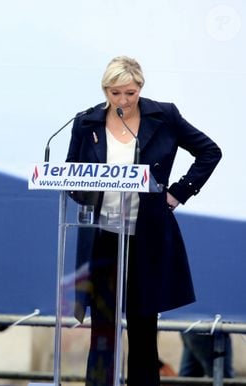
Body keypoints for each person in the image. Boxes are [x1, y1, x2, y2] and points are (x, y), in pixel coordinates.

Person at [66, 56, 221, 386]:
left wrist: (178, 192)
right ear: (104, 90)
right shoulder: (86, 122)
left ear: (141, 88)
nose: (122, 100)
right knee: (104, 331)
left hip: (145, 237)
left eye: (130, 93)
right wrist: (85, 191)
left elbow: (210, 151)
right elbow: (70, 174)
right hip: (103, 236)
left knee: (143, 329)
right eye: (115, 93)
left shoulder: (164, 116)